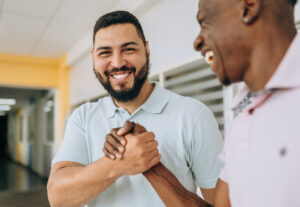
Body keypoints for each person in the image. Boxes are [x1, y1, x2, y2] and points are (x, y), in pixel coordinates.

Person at [104, 0, 300, 206]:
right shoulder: (245, 112)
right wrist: (148, 163)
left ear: (248, 6)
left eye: (205, 23)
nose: (197, 42)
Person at [47, 10, 223, 207]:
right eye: (105, 52)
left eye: (128, 49)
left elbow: (221, 203)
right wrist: (117, 164)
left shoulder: (194, 115)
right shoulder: (82, 117)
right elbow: (57, 197)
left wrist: (148, 164)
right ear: (93, 57)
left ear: (147, 50)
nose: (117, 63)